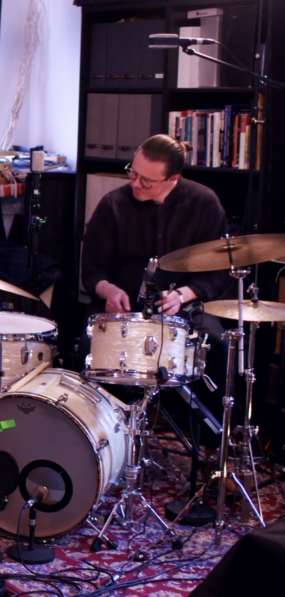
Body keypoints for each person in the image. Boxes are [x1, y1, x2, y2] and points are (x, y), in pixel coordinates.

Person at [80, 134, 230, 413]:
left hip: (183, 309)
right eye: (132, 173)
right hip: (123, 311)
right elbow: (91, 271)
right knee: (87, 346)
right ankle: (104, 432)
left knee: (218, 346)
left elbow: (218, 273)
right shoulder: (113, 204)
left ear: (172, 179)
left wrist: (184, 295)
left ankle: (210, 442)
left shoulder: (205, 204)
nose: (134, 183)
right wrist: (108, 290)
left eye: (146, 180)